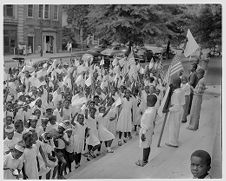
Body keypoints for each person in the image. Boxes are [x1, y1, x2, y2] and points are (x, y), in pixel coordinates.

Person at [135, 94, 157, 167]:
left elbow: (147, 124)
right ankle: (145, 159)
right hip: (149, 129)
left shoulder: (149, 112)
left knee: (145, 146)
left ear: (149, 102)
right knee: (147, 144)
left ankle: (144, 161)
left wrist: (143, 134)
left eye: (147, 101)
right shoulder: (152, 109)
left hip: (146, 130)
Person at [165, 76, 185, 148]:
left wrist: (168, 109)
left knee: (173, 127)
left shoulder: (176, 93)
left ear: (176, 84)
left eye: (173, 83)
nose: (172, 84)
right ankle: (174, 140)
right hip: (179, 110)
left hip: (176, 111)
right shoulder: (181, 90)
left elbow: (177, 106)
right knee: (176, 126)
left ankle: (173, 143)